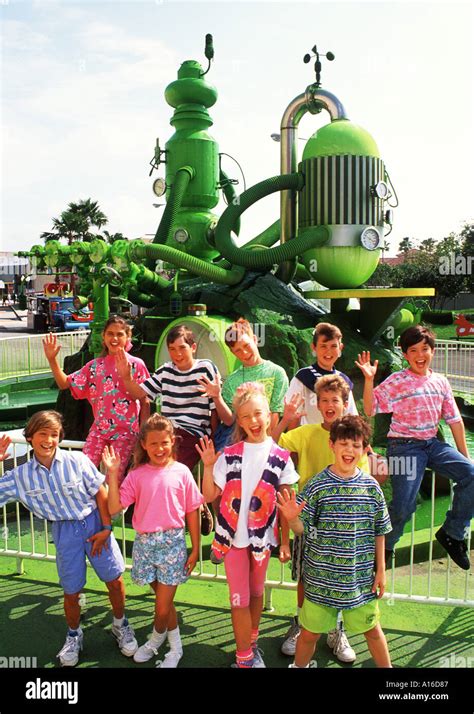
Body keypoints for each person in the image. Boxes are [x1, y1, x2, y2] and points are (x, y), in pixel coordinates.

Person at [0, 411, 137, 666]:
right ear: (30, 437)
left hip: (95, 523)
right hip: (64, 533)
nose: (49, 440)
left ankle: (121, 624)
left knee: (115, 580)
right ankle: (74, 635)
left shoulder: (77, 460)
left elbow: (101, 491)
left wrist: (107, 528)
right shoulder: (20, 476)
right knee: (71, 591)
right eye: (42, 434)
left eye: (54, 435)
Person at [274, 374, 387, 661]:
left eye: (334, 400)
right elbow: (274, 446)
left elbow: (376, 523)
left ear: (344, 404)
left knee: (367, 621)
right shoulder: (309, 435)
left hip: (354, 560)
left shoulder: (364, 470)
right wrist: (287, 418)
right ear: (333, 444)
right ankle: (304, 625)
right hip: (311, 525)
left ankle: (337, 631)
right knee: (305, 576)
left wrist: (380, 569)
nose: (328, 405)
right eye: (323, 400)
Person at [197, 382, 299, 668]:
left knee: (256, 594)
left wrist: (286, 542)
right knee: (239, 599)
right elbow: (208, 495)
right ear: (239, 421)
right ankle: (244, 659)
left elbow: (285, 503)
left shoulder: (281, 458)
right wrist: (207, 467)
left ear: (269, 416)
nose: (253, 421)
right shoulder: (229, 455)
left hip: (262, 542)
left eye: (258, 414)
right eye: (246, 416)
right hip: (231, 541)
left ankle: (251, 645)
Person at [356, 325, 474, 570]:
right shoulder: (398, 380)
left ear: (433, 351)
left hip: (432, 445)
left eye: (425, 349)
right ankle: (384, 549)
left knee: (472, 475)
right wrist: (369, 380)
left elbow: (454, 420)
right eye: (413, 350)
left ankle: (452, 533)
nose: (420, 355)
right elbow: (370, 408)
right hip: (404, 447)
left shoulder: (441, 382)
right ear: (405, 354)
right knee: (404, 505)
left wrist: (465, 458)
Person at [105, 413, 202, 668]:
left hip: (173, 545)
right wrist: (113, 472)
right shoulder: (137, 475)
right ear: (144, 445)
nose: (159, 448)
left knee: (161, 608)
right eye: (154, 443)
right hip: (145, 546)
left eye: (164, 442)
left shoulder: (182, 472)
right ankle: (176, 648)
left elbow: (192, 510)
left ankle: (156, 642)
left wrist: (195, 549)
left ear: (172, 442)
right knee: (164, 601)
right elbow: (115, 505)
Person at [115, 324, 218, 533]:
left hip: (193, 432)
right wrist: (126, 377)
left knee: (172, 471)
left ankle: (191, 508)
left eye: (182, 348)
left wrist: (213, 439)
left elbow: (214, 408)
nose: (177, 354)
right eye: (172, 349)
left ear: (193, 347)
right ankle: (128, 507)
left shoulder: (205, 368)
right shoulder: (165, 371)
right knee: (144, 462)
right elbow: (139, 393)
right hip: (168, 432)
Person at [42, 315, 150, 484]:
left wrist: (143, 434)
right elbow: (65, 383)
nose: (115, 338)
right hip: (99, 430)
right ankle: (92, 510)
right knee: (83, 474)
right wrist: (51, 359)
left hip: (125, 433)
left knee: (113, 479)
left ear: (128, 337)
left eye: (120, 334)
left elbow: (144, 400)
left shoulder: (136, 365)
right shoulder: (95, 366)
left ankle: (112, 510)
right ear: (104, 337)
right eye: (110, 334)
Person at [197, 317, 289, 450]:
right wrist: (217, 397)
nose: (244, 353)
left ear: (255, 340)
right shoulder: (232, 381)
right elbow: (229, 421)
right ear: (232, 352)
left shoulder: (277, 373)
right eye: (238, 350)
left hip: (265, 440)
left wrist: (262, 445)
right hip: (238, 442)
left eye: (247, 346)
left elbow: (275, 415)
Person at [283, 322, 357, 429]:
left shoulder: (344, 380)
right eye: (323, 346)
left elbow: (351, 417)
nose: (328, 351)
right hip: (308, 438)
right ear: (314, 347)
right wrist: (293, 443)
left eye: (333, 346)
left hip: (336, 440)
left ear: (340, 348)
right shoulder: (303, 377)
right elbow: (294, 416)